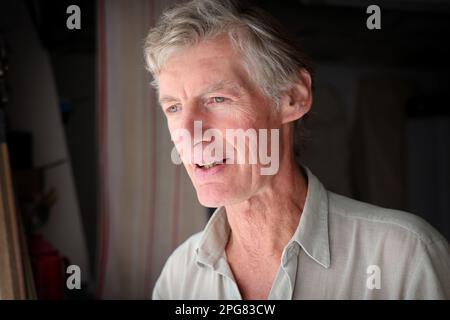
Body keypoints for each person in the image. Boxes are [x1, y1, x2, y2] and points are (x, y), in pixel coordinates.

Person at [144, 0, 450, 299]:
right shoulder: (179, 275)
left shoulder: (404, 258)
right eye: (173, 107)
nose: (187, 133)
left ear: (293, 97)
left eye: (217, 99)